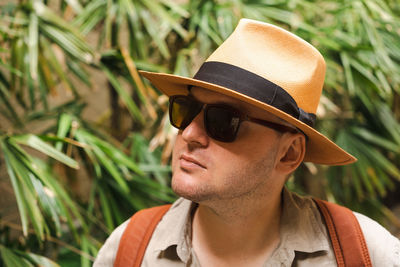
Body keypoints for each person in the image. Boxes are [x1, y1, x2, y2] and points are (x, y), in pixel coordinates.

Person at [94, 18, 400, 266]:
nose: (188, 134)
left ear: (289, 154)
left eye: (223, 121)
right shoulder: (129, 250)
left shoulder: (365, 252)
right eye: (185, 110)